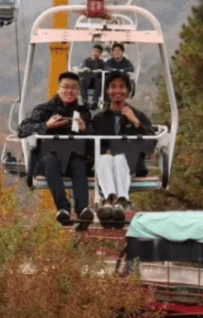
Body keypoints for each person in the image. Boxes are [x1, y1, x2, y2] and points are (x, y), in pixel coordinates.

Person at [18, 71, 94, 226]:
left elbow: (95, 139)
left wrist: (84, 129)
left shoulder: (83, 113)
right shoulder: (44, 110)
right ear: (58, 89)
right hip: (48, 159)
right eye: (65, 87)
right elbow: (22, 130)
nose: (69, 91)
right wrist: (46, 125)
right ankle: (62, 208)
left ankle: (82, 208)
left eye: (73, 88)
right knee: (51, 160)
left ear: (78, 92)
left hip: (73, 157)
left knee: (78, 162)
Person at [91, 71, 153, 223]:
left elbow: (150, 143)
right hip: (106, 163)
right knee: (105, 158)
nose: (117, 91)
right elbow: (93, 144)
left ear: (127, 90)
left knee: (119, 158)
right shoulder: (99, 119)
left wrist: (135, 122)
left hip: (131, 163)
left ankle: (119, 199)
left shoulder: (138, 115)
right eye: (113, 87)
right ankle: (110, 199)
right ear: (107, 91)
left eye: (121, 87)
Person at [78, 43, 107, 108]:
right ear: (92, 52)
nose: (95, 53)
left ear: (101, 53)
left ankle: (95, 101)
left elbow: (106, 70)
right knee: (82, 80)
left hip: (97, 83)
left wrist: (101, 71)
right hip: (87, 81)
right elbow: (82, 68)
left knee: (99, 81)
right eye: (94, 51)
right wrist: (85, 69)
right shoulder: (87, 61)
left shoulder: (102, 63)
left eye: (98, 51)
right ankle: (85, 100)